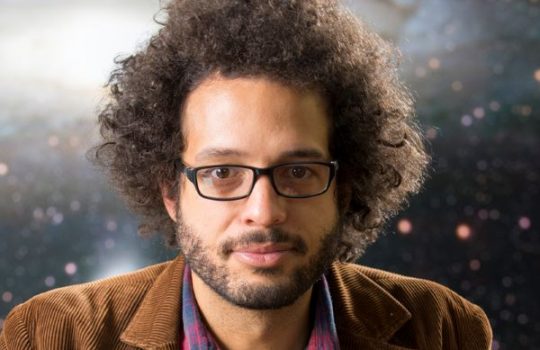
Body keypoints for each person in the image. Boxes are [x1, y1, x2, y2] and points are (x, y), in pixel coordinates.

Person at [0, 0, 492, 349]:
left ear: (344, 186)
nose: (264, 212)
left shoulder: (445, 330)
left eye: (298, 170)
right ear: (171, 191)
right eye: (221, 173)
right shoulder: (49, 336)